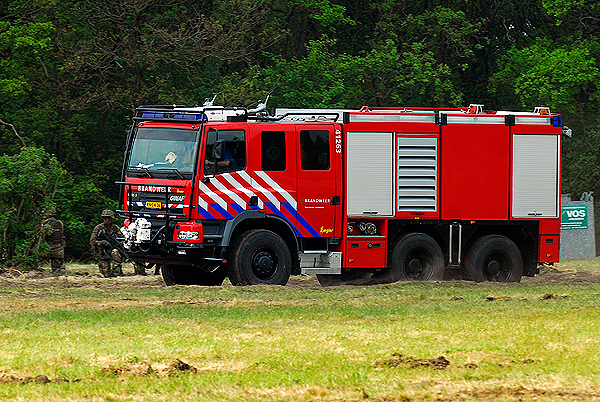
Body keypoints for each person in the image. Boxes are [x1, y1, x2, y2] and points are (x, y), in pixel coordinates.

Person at [89, 209, 123, 277]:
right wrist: (102, 242)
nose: (105, 220)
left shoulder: (115, 228)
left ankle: (116, 271)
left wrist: (119, 244)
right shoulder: (98, 228)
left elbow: (122, 238)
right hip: (102, 251)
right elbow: (92, 241)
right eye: (104, 218)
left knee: (115, 252)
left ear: (111, 219)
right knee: (106, 274)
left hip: (112, 248)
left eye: (107, 218)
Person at [43, 207, 66, 275]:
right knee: (56, 270)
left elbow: (42, 237)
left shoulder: (46, 225)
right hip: (59, 249)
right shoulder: (59, 223)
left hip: (48, 248)